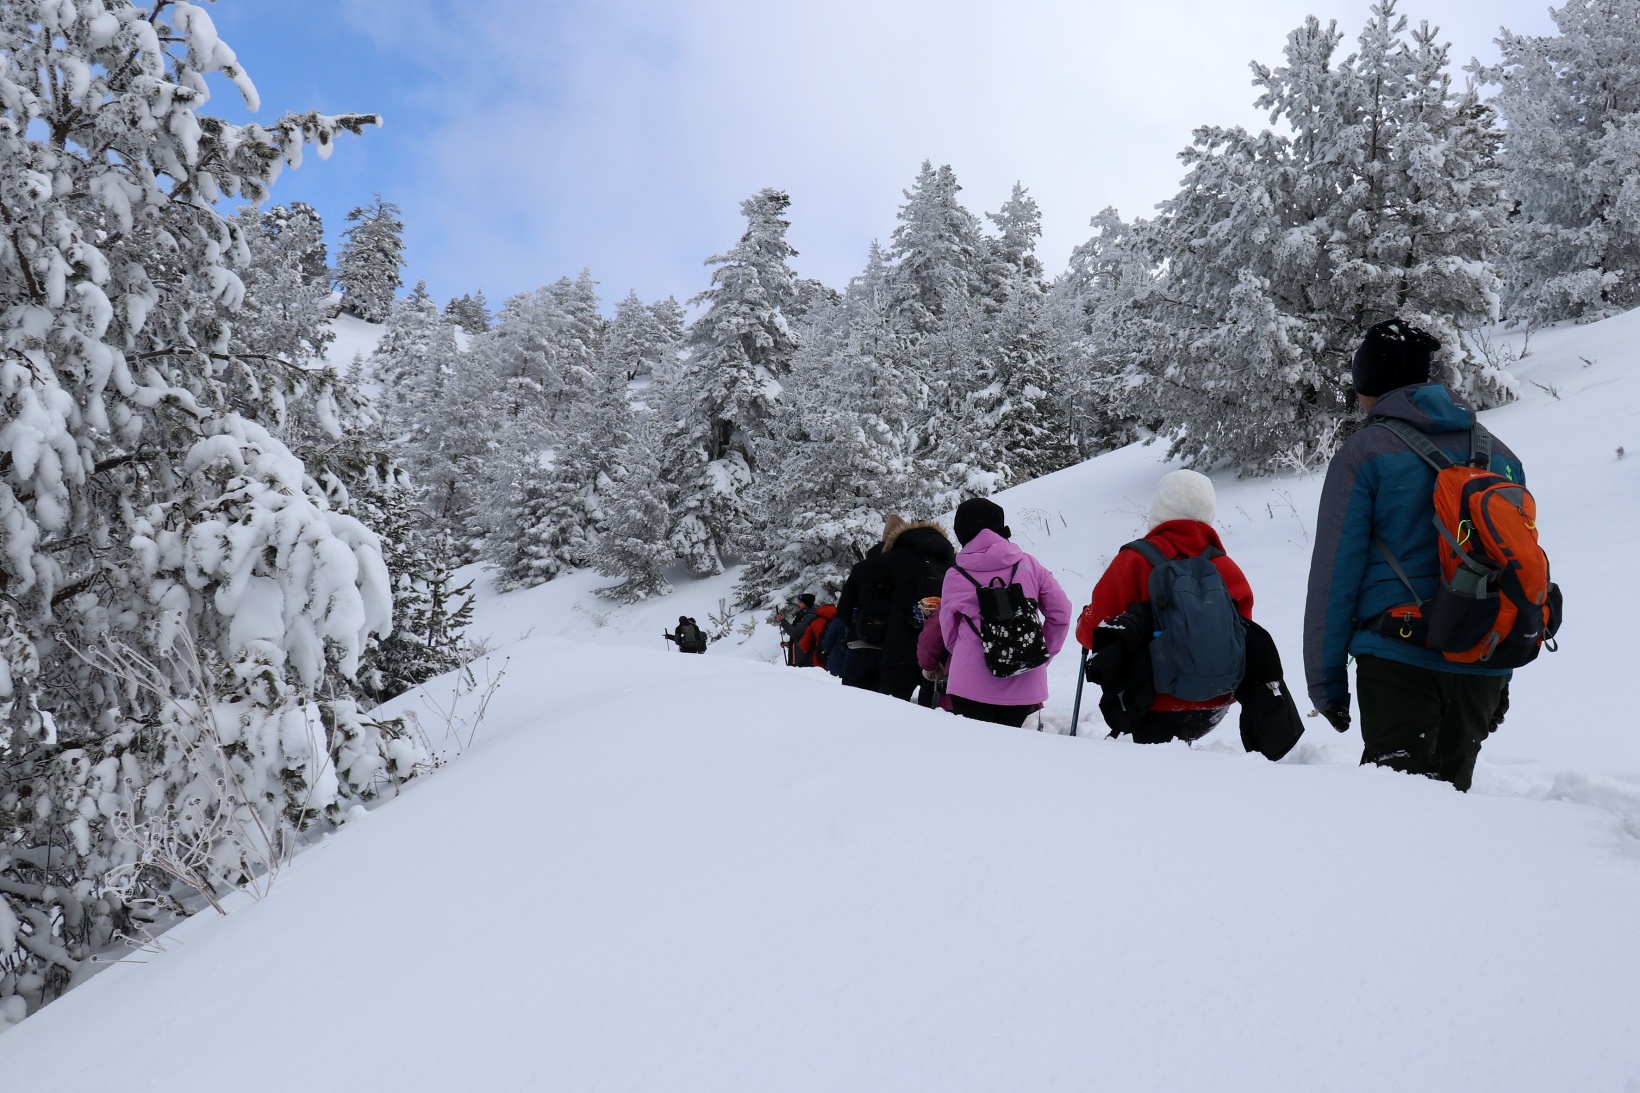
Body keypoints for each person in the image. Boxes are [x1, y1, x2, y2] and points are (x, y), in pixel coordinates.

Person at [1304, 319, 1524, 792]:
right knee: (1449, 809)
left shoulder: (1365, 452)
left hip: (1399, 655)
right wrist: (1501, 675)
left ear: (1369, 385)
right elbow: (1516, 565)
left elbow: (1334, 572)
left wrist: (1326, 683)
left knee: (1394, 808)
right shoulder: (1501, 455)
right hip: (1482, 656)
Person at [1076, 470, 1254, 744]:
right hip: (1215, 701)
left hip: (1150, 703)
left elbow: (1094, 634)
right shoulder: (1225, 568)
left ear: (1159, 509)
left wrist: (1084, 621)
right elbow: (1243, 634)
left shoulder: (1133, 561)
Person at [938, 498, 1072, 727]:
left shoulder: (956, 574)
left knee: (973, 746)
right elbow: (1062, 614)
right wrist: (1038, 654)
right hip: (1025, 681)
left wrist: (965, 654)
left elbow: (948, 630)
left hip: (970, 683)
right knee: (1009, 747)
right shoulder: (1030, 565)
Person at [875, 520, 957, 701]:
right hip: (938, 651)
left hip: (899, 647)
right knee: (931, 711)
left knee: (890, 705)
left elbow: (861, 572)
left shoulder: (898, 556)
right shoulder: (951, 559)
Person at [834, 517, 903, 690]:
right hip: (891, 649)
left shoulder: (863, 567)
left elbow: (843, 608)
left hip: (860, 642)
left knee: (852, 698)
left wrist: (854, 627)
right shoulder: (905, 569)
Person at [778, 594, 819, 667]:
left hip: (805, 661)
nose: (797, 604)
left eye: (800, 602)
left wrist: (782, 621)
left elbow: (795, 633)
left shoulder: (809, 616)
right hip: (802, 659)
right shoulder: (803, 615)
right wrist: (790, 644)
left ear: (807, 604)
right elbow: (803, 637)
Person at [795, 601, 837, 669]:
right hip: (837, 658)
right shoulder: (841, 620)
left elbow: (805, 644)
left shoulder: (814, 621)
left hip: (819, 659)